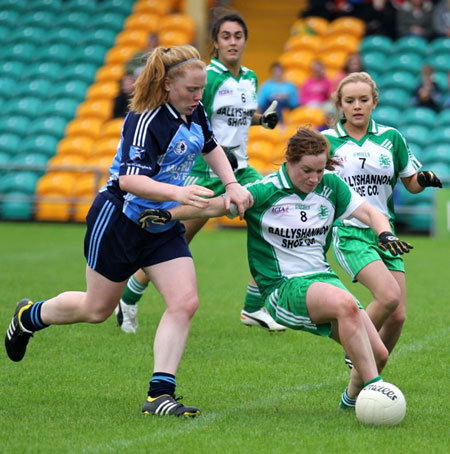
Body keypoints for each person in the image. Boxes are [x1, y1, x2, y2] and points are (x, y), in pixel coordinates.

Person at [5, 45, 252, 418]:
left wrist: (231, 183)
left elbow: (212, 146)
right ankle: (29, 316)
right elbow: (129, 180)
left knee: (185, 302)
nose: (198, 97)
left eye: (202, 90)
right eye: (191, 90)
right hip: (119, 219)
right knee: (96, 309)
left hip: (161, 222)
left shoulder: (193, 109)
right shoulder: (146, 119)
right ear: (168, 84)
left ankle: (159, 395)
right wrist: (178, 193)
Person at [139, 126, 413, 410]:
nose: (314, 178)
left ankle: (352, 402)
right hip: (282, 288)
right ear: (290, 161)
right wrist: (168, 214)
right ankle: (377, 391)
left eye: (320, 170)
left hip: (323, 281)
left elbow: (369, 211)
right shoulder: (263, 191)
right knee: (345, 304)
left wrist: (385, 233)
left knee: (377, 353)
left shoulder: (330, 185)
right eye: (307, 170)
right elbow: (213, 207)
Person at [116, 9, 285, 335]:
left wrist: (262, 120)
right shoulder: (206, 78)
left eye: (238, 36)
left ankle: (253, 308)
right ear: (216, 43)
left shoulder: (250, 77)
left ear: (245, 40)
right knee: (174, 240)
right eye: (226, 36)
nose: (233, 42)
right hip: (201, 170)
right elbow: (195, 119)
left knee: (273, 217)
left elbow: (237, 116)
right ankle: (127, 298)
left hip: (240, 169)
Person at [322, 72, 442, 367]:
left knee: (398, 315)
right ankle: (357, 347)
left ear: (374, 102)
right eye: (350, 101)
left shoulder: (391, 138)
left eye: (364, 100)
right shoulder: (326, 142)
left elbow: (411, 183)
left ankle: (363, 388)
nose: (357, 106)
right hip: (350, 231)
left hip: (386, 233)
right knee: (388, 297)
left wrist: (423, 179)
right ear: (340, 104)